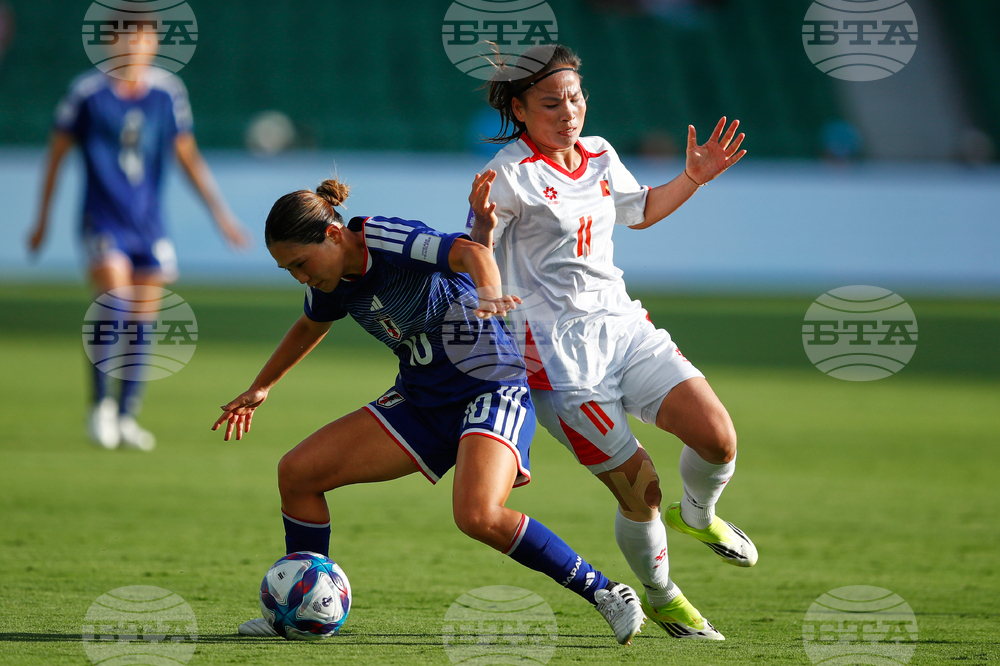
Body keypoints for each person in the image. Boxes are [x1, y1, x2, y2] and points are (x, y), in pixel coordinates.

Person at [213, 179, 646, 644]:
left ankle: (605, 591)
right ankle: (299, 607)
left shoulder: (383, 238)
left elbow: (472, 254)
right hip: (421, 402)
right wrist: (261, 387)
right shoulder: (332, 277)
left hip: (490, 389)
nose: (300, 277)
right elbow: (311, 323)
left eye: (300, 263)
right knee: (297, 473)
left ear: (334, 236)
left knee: (477, 514)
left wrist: (488, 293)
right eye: (288, 270)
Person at [467, 44, 753, 640]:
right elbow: (476, 252)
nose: (568, 112)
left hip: (624, 329)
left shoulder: (599, 154)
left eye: (574, 98)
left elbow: (640, 210)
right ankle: (664, 596)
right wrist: (481, 232)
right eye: (550, 103)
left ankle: (699, 516)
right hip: (558, 360)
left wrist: (692, 178)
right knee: (640, 489)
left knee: (718, 436)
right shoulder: (510, 177)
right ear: (519, 110)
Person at [27, 34, 248, 451]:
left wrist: (222, 215)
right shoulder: (87, 93)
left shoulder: (167, 92)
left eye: (143, 41)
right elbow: (56, 154)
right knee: (116, 300)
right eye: (125, 40)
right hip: (102, 218)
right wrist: (42, 219)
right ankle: (99, 408)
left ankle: (127, 413)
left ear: (154, 45)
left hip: (149, 224)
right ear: (109, 44)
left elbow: (187, 155)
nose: (134, 49)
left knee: (144, 317)